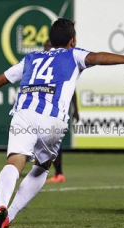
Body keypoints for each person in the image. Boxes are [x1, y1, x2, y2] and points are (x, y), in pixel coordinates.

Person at [0, 18, 124, 228]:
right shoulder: (73, 54)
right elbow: (96, 57)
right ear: (72, 41)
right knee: (43, 166)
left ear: (50, 40)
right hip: (52, 119)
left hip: (24, 113)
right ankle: (9, 217)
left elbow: (0, 80)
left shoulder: (31, 58)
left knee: (14, 161)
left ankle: (1, 206)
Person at [42, 39, 80, 183]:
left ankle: (58, 173)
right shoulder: (42, 64)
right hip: (43, 111)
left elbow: (72, 90)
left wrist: (76, 109)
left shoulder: (59, 65)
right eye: (45, 46)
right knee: (45, 142)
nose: (46, 48)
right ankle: (51, 172)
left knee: (53, 142)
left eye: (48, 46)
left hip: (56, 111)